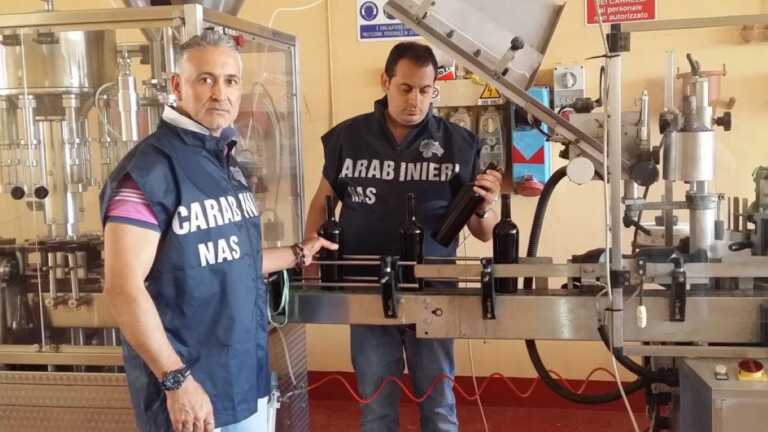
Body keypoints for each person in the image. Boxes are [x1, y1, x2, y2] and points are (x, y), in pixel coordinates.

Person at [100, 30, 336, 432]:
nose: (220, 93)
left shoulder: (225, 162)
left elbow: (233, 259)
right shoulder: (149, 171)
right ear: (178, 85)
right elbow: (123, 288)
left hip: (243, 375)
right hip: (191, 388)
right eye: (205, 79)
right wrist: (176, 380)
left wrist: (300, 252)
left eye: (230, 81)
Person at [304, 42, 502, 432]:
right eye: (406, 88)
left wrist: (486, 204)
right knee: (377, 407)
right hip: (365, 287)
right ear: (386, 82)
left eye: (426, 90)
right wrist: (309, 258)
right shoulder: (349, 136)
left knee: (439, 405)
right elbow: (322, 201)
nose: (416, 100)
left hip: (434, 290)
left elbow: (483, 232)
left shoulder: (458, 143)